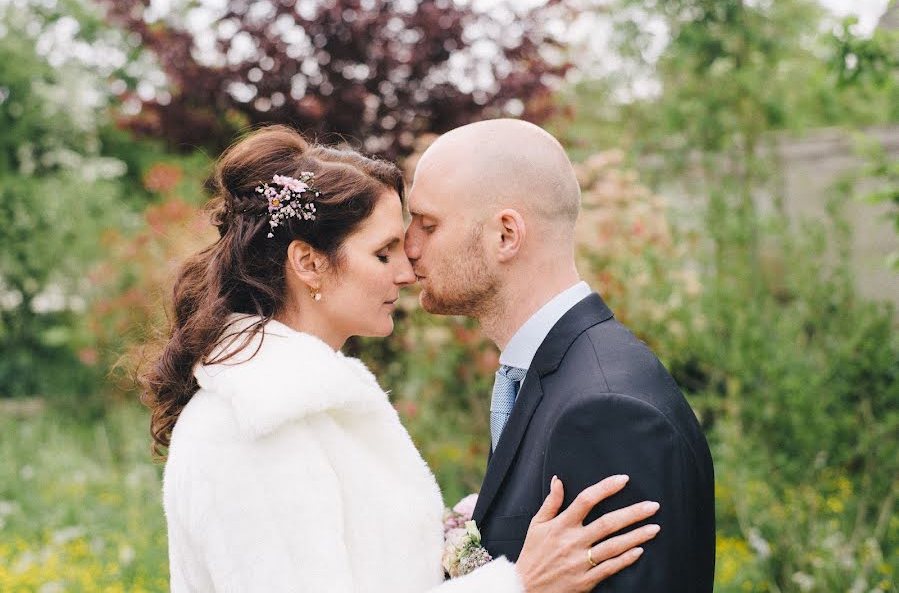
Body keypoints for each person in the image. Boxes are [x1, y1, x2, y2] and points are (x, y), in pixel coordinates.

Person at [144, 125, 662, 592]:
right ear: (308, 263)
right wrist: (519, 585)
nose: (408, 272)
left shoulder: (319, 403)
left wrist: (475, 527)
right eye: (383, 252)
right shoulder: (255, 425)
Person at [404, 119, 716, 591]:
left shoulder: (605, 412)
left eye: (428, 225)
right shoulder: (549, 375)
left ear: (506, 235)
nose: (409, 247)